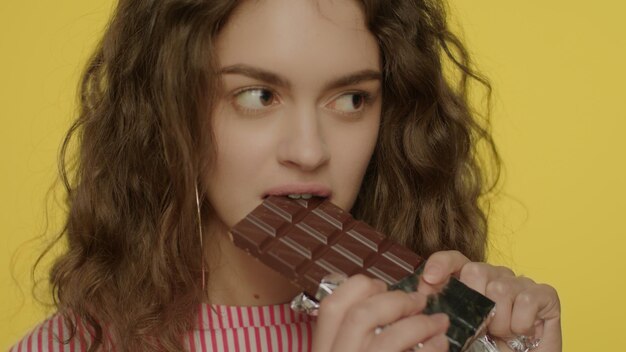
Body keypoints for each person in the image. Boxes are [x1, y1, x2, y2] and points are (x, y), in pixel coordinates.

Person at [12, 0, 562, 351]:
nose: (309, 150)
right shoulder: (66, 347)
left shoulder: (442, 328)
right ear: (170, 112)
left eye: (350, 98)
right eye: (258, 96)